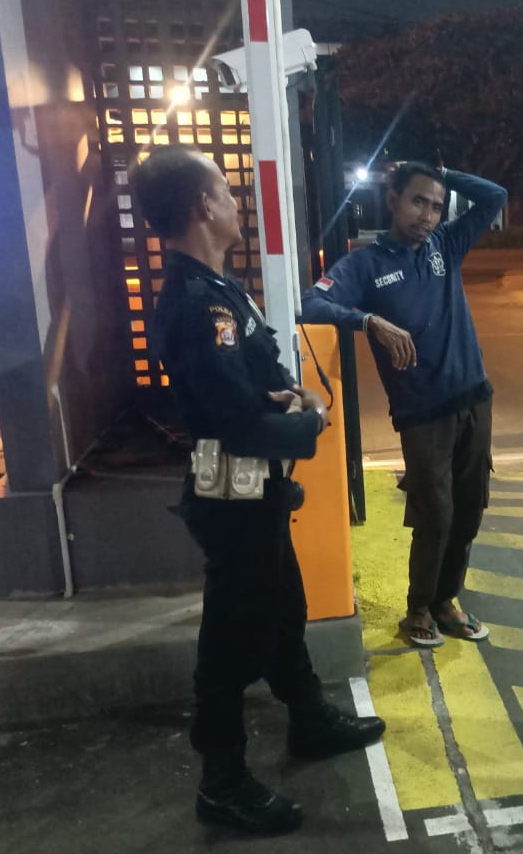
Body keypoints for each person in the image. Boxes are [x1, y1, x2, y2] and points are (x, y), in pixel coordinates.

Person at [131, 146, 385, 836]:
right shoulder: (195, 305)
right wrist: (311, 419)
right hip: (232, 494)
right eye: (225, 190)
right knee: (231, 641)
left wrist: (288, 395)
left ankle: (308, 718)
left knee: (282, 608)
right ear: (201, 206)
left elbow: (253, 386)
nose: (235, 199)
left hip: (257, 494)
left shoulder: (217, 289)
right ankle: (222, 783)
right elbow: (236, 425)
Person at [300, 162, 507, 648]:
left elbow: (495, 195)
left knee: (469, 509)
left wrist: (444, 173)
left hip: (474, 397)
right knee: (435, 513)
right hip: (421, 413)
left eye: (436, 206)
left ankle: (446, 601)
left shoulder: (445, 245)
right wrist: (368, 321)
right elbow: (311, 303)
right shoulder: (365, 265)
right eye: (418, 201)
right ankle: (418, 607)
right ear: (392, 200)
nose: (428, 215)